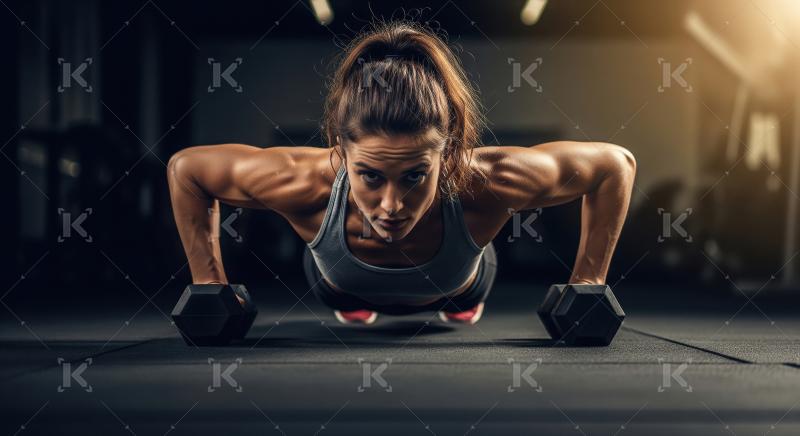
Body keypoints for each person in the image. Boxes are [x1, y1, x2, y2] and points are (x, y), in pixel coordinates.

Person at [166, 21, 636, 326]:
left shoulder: (489, 180)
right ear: (341, 153)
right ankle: (357, 302)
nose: (391, 206)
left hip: (460, 284)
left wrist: (588, 284)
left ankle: (461, 303)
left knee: (463, 294)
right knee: (342, 293)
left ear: (447, 154)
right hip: (336, 284)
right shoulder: (302, 180)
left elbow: (615, 165)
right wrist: (209, 286)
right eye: (370, 176)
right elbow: (186, 170)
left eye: (414, 176)